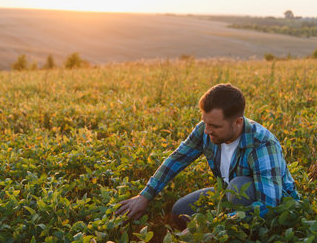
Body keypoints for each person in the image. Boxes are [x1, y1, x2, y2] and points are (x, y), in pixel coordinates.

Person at [115, 83, 299, 230]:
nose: (208, 130)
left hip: (274, 204)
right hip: (228, 194)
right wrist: (145, 196)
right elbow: (177, 159)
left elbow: (270, 205)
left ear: (237, 122)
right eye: (205, 123)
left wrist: (209, 226)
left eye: (215, 126)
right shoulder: (206, 129)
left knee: (239, 186)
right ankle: (224, 225)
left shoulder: (262, 144)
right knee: (181, 211)